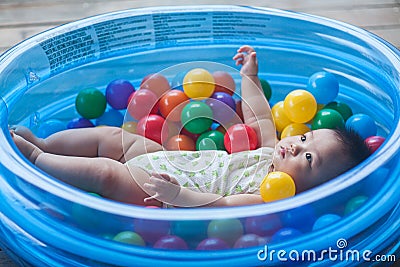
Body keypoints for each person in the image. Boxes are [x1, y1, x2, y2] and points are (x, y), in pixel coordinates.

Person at [11, 45, 370, 208]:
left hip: (162, 190)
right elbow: (259, 114)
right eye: (304, 137)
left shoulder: (265, 197)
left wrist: (177, 197)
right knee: (113, 137)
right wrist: (250, 77)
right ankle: (48, 141)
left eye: (308, 158)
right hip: (166, 158)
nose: (295, 145)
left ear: (311, 192)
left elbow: (221, 204)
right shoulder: (268, 150)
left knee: (105, 174)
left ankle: (38, 159)